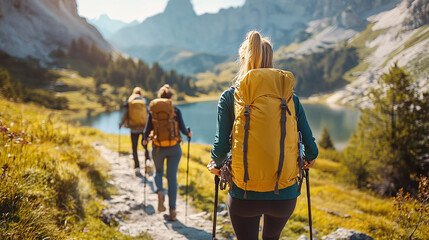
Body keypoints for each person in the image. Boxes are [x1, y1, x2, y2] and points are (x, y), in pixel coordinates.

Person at [208, 31, 318, 240]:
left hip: (244, 195)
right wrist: (309, 159)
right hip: (284, 195)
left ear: (243, 60)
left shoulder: (231, 96)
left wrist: (216, 164)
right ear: (271, 60)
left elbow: (221, 147)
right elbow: (311, 148)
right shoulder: (289, 97)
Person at [142, 84, 192, 221]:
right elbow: (182, 129)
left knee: (158, 172)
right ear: (170, 98)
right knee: (172, 179)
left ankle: (159, 192)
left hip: (158, 148)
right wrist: (188, 133)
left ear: (159, 98)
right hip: (174, 148)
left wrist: (145, 141)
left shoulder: (153, 111)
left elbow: (146, 131)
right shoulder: (175, 110)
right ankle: (173, 211)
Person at [119, 87, 149, 176]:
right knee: (145, 145)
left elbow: (125, 113)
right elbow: (148, 113)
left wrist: (122, 122)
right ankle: (148, 162)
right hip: (143, 127)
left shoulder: (130, 101)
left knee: (134, 147)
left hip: (133, 128)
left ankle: (137, 168)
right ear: (141, 93)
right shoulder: (144, 100)